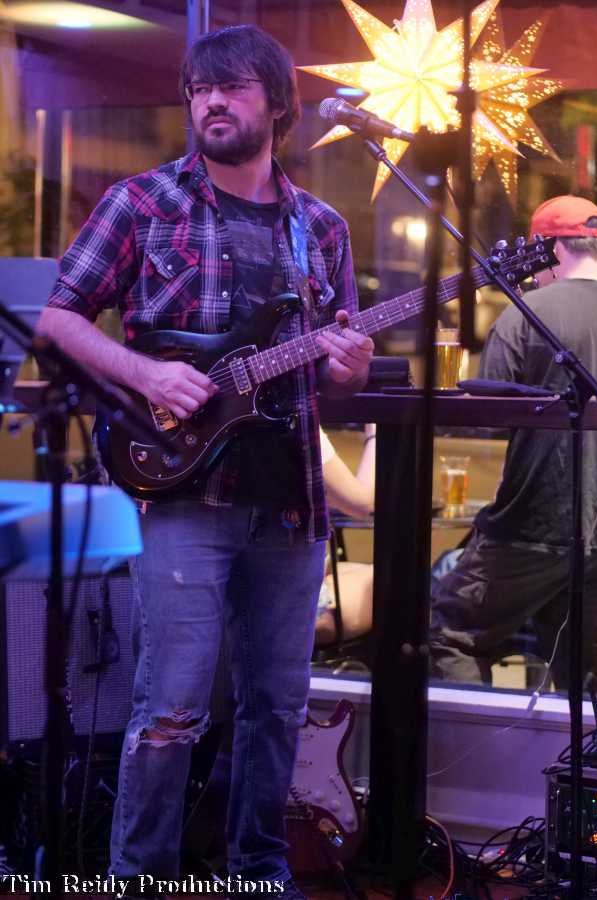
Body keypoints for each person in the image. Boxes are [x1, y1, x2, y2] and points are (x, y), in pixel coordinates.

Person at [37, 25, 373, 895]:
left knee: (277, 708)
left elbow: (335, 367)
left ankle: (259, 870)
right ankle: (140, 879)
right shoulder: (142, 203)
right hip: (184, 492)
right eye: (199, 90)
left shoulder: (320, 227)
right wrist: (148, 372)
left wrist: (350, 365)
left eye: (231, 88)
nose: (211, 102)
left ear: (278, 105)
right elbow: (59, 319)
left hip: (292, 500)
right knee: (173, 708)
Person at [429, 195, 597, 690]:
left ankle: (480, 741)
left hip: (534, 525)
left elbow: (488, 417)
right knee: (583, 666)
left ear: (549, 248)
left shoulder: (526, 314)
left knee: (451, 632)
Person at [316, 424, 375, 645]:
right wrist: (375, 434)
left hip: (231, 601)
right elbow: (361, 504)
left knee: (365, 570)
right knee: (402, 579)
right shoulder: (296, 420)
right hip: (296, 611)